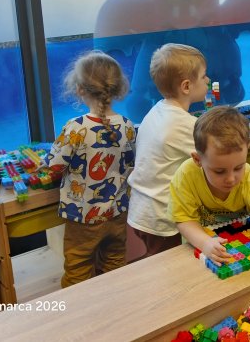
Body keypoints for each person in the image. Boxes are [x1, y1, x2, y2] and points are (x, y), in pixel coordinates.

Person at [169, 106, 250, 321]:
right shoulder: (185, 176)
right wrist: (204, 242)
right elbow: (183, 220)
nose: (231, 179)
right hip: (200, 253)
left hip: (240, 255)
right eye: (219, 171)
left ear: (247, 150)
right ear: (198, 159)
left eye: (239, 167)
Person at [45, 51, 136, 287]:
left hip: (83, 216)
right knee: (115, 261)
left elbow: (54, 165)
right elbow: (131, 162)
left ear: (79, 89)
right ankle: (115, 300)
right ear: (117, 88)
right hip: (117, 212)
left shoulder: (76, 127)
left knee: (78, 266)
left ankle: (79, 306)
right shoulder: (127, 125)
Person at [127, 44, 210, 260]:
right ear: (186, 86)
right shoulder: (184, 124)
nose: (208, 80)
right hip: (161, 216)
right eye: (203, 76)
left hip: (142, 208)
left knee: (156, 260)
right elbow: (214, 156)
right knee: (171, 266)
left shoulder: (157, 111)